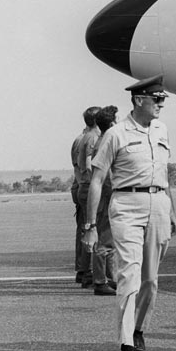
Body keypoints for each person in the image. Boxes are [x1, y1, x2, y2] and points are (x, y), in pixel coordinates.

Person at [83, 75, 176, 351]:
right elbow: (97, 180)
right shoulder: (116, 134)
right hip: (127, 206)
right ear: (140, 100)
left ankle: (138, 330)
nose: (162, 104)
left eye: (163, 99)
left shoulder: (162, 129)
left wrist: (171, 209)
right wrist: (90, 224)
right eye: (157, 99)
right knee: (129, 277)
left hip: (159, 205)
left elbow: (162, 173)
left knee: (151, 280)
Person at [80, 106, 118, 295]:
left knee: (108, 238)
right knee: (104, 240)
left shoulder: (101, 140)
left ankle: (110, 278)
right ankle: (100, 281)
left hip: (104, 195)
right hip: (105, 196)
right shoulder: (105, 143)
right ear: (112, 123)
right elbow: (97, 174)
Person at [71, 107, 98, 286]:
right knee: (89, 228)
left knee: (84, 228)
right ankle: (87, 271)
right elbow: (88, 165)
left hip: (80, 186)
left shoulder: (80, 138)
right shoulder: (90, 139)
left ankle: (83, 270)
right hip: (86, 187)